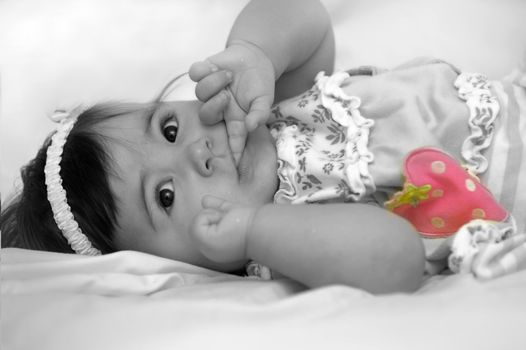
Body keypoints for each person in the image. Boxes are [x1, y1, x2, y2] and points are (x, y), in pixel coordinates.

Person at [2, 0, 525, 294]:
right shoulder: (285, 241)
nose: (195, 155)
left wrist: (253, 52)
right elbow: (397, 259)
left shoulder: (276, 106)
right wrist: (253, 231)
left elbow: (307, 17)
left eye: (168, 129)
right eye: (164, 196)